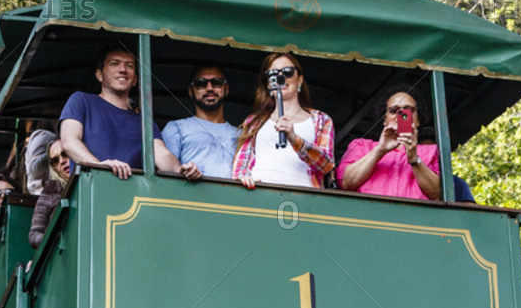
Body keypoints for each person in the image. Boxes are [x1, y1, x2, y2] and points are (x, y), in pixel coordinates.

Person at [59, 46, 201, 181]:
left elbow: (161, 154)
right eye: (114, 64)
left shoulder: (144, 121)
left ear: (135, 80)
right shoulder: (81, 100)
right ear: (99, 75)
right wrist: (99, 168)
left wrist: (180, 170)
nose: (123, 70)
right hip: (89, 191)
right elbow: (69, 141)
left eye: (130, 66)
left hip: (131, 195)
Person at [232, 52, 334, 190]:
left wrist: (295, 140)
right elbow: (241, 165)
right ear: (268, 84)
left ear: (299, 79)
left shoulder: (321, 120)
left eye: (288, 72)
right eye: (273, 74)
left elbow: (326, 165)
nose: (281, 77)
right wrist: (242, 179)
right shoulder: (254, 121)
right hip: (259, 193)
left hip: (304, 196)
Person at [336, 85, 440, 201]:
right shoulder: (362, 145)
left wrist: (414, 159)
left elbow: (438, 192)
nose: (400, 116)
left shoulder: (433, 150)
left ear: (418, 119)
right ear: (384, 119)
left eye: (408, 110)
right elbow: (346, 183)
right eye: (393, 111)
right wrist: (380, 150)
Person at [161, 64, 241, 181]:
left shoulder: (242, 134)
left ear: (226, 89)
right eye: (201, 83)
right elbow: (165, 176)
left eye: (216, 82)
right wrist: (186, 171)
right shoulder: (176, 128)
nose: (209, 88)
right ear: (190, 91)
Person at [29, 140, 72, 249]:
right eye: (55, 160)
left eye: (65, 153)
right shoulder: (50, 193)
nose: (62, 161)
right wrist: (55, 240)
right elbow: (34, 235)